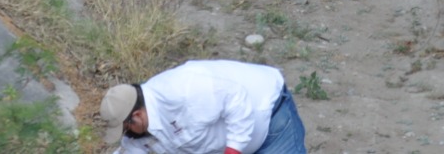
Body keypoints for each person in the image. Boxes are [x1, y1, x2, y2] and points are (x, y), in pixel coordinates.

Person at [101, 61, 307, 154]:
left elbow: (235, 98)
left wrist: (233, 150)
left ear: (136, 115)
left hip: (270, 118)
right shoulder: (143, 129)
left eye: (126, 127)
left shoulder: (180, 90)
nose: (127, 134)